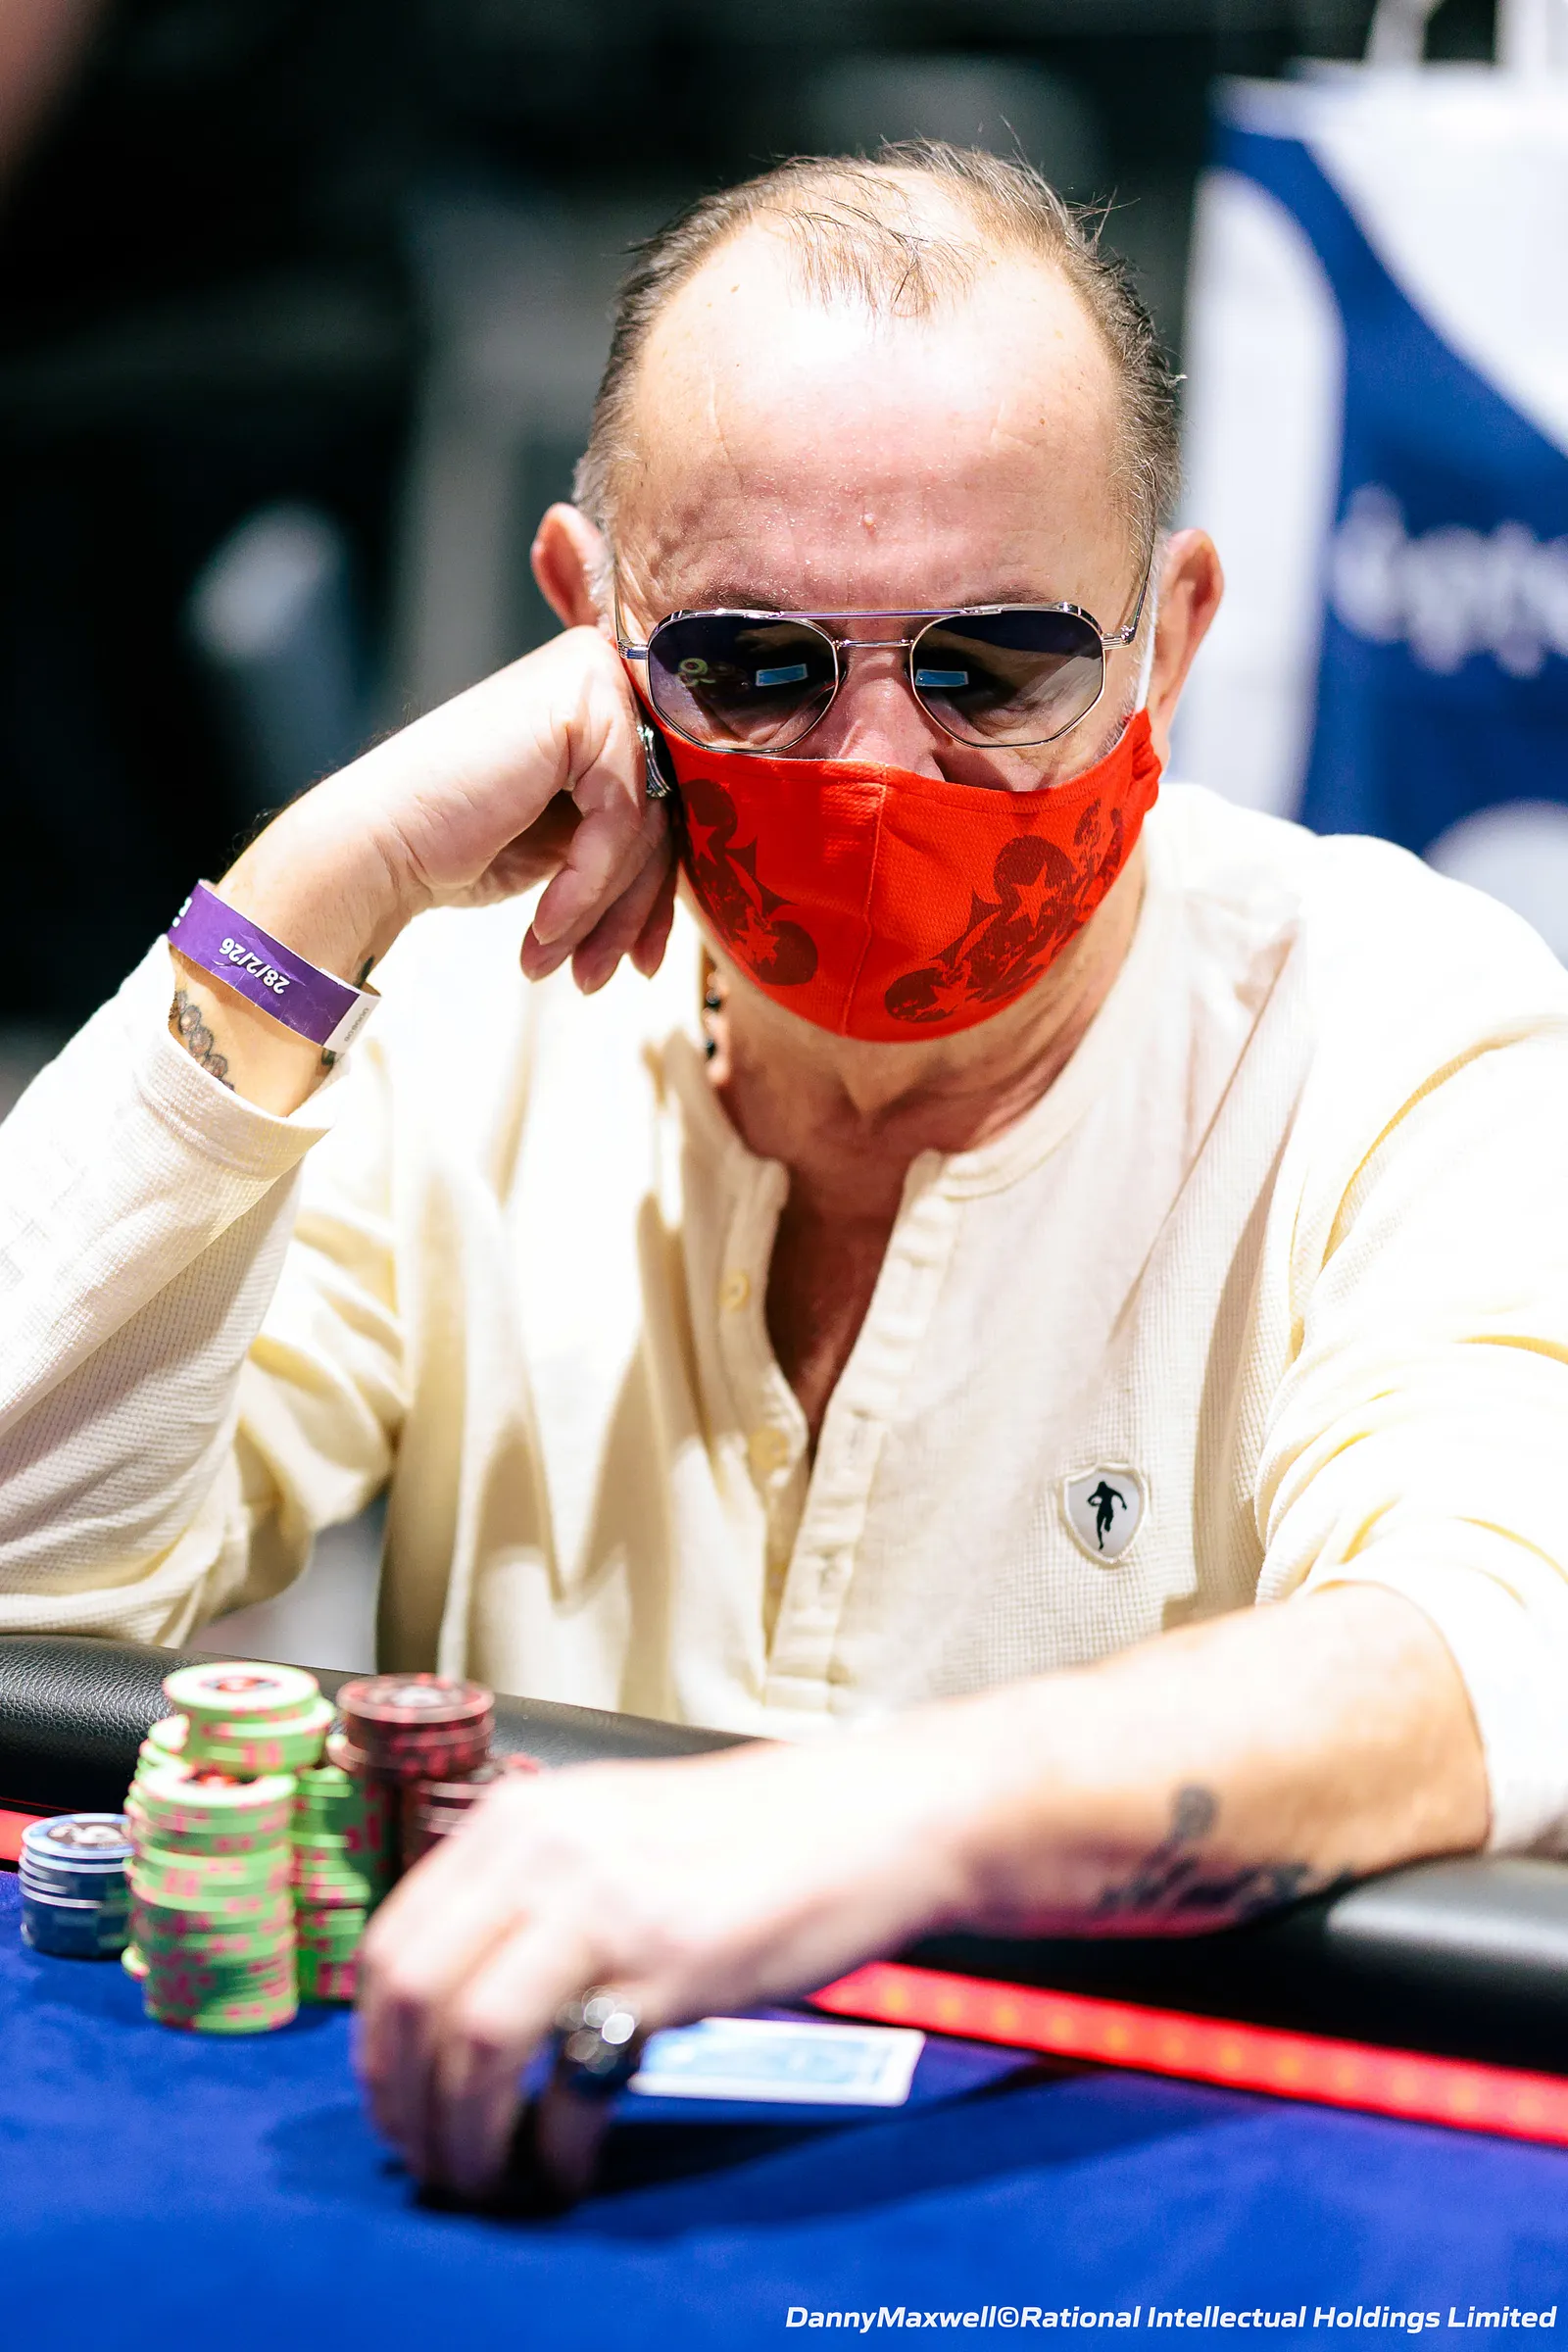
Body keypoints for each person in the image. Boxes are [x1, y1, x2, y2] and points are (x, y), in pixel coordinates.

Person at [4, 143, 1568, 2202]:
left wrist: (840, 1820)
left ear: (1169, 636)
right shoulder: (468, 1006)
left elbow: (1481, 1661)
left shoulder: (1397, 1017)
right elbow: (31, 1581)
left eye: (992, 666)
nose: (878, 772)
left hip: (1125, 2213)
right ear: (588, 630)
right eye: (752, 667)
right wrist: (313, 888)